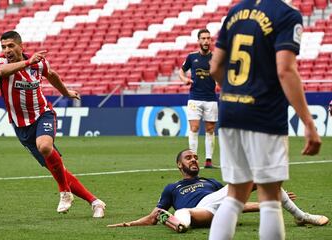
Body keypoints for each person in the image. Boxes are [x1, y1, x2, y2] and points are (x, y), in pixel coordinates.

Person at [208, 1, 322, 239]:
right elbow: (285, 70)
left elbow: (215, 66)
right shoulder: (286, 14)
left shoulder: (235, 12)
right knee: (270, 199)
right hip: (264, 112)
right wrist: (309, 123)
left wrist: (234, 94)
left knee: (234, 196)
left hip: (230, 111)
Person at [0, 31, 106, 217]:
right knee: (58, 170)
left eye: (11, 46)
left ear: (22, 46)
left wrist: (66, 92)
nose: (7, 50)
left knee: (45, 146)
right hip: (21, 126)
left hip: (43, 114)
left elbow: (52, 74)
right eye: (4, 47)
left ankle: (64, 192)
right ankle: (95, 202)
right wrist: (28, 62)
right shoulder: (1, 62)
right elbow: (1, 72)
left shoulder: (38, 63)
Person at [107, 149, 328, 232]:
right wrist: (129, 223)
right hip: (201, 212)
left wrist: (266, 204)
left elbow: (233, 204)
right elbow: (154, 215)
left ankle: (302, 216)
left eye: (195, 157)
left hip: (218, 205)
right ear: (179, 164)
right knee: (186, 215)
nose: (194, 160)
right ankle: (178, 223)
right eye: (188, 158)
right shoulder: (172, 188)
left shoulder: (210, 181)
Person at [179, 29, 218, 168]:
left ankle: (208, 161)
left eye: (208, 38)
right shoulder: (191, 57)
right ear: (198, 41)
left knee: (210, 129)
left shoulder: (216, 58)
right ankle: (192, 160)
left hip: (211, 98)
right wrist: (184, 79)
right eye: (203, 38)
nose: (206, 41)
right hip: (195, 98)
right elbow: (181, 71)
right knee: (194, 127)